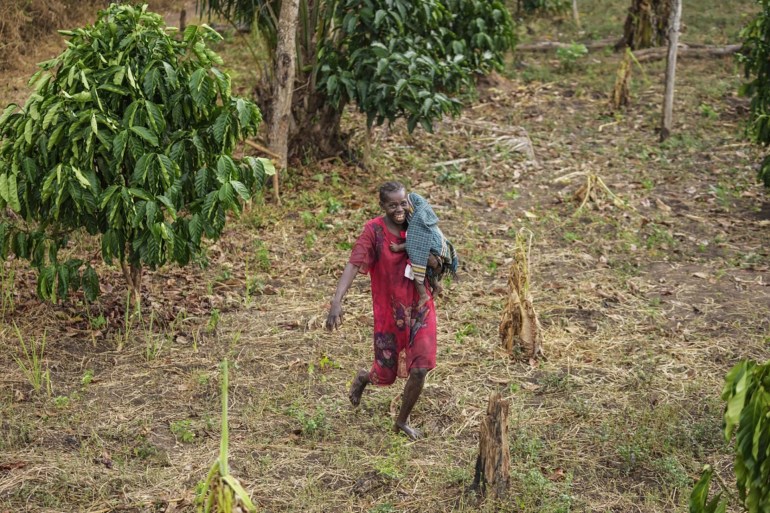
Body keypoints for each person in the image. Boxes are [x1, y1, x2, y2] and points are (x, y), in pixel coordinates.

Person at [326, 181, 438, 440]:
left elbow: (437, 254)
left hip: (421, 305)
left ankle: (402, 421)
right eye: (392, 205)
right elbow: (354, 263)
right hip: (391, 312)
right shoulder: (374, 231)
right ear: (383, 206)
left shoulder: (418, 222)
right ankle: (365, 377)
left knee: (421, 367)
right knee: (384, 371)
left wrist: (433, 260)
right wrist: (336, 301)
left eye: (402, 203)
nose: (399, 210)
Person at [389, 191, 458, 309]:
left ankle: (423, 295)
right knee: (426, 269)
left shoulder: (419, 222)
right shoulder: (427, 220)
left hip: (433, 253)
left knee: (416, 269)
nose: (402, 209)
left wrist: (398, 247)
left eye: (405, 205)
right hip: (436, 253)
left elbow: (415, 241)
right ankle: (435, 285)